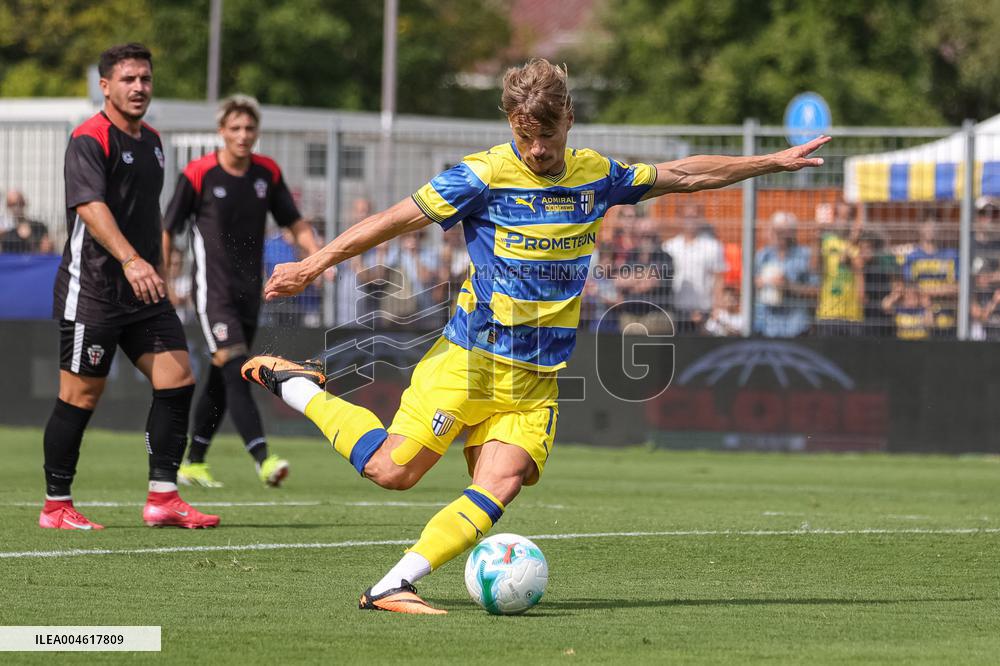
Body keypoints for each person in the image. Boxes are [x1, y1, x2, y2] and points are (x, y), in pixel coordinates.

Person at [240, 59, 828, 613]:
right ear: (510, 126)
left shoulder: (597, 174)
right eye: (527, 137)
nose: (539, 149)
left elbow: (684, 175)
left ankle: (394, 584)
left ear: (569, 118)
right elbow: (390, 222)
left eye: (548, 133)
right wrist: (312, 265)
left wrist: (772, 162)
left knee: (503, 480)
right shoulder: (482, 175)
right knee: (393, 472)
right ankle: (301, 387)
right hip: (469, 363)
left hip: (537, 381)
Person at [42, 43, 218, 530]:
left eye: (145, 78)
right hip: (93, 290)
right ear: (105, 86)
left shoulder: (153, 141)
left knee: (178, 380)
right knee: (79, 398)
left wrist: (157, 268)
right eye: (128, 79)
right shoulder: (88, 138)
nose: (139, 87)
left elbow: (147, 215)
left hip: (145, 293)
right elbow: (89, 208)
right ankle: (56, 504)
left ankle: (163, 497)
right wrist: (132, 259)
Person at [163, 94, 323, 488]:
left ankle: (194, 462)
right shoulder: (199, 174)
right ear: (221, 132)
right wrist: (162, 280)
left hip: (250, 294)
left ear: (257, 132)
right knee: (237, 368)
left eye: (249, 128)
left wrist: (318, 259)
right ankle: (262, 458)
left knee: (222, 377)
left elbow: (296, 223)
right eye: (234, 128)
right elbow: (168, 230)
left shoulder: (266, 173)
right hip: (211, 294)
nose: (243, 134)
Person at [661, 203, 727, 333]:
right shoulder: (669, 246)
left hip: (703, 310)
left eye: (694, 216)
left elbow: (719, 278)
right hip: (676, 311)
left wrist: (716, 308)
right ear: (679, 219)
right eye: (686, 217)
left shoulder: (713, 246)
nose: (690, 221)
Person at [753, 212, 817, 337]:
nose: (780, 235)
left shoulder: (805, 256)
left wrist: (789, 286)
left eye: (784, 231)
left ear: (793, 233)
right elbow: (748, 287)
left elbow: (816, 291)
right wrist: (757, 284)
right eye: (777, 231)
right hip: (767, 326)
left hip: (796, 327)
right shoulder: (763, 256)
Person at [814, 201, 865, 336]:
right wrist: (816, 237)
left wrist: (853, 241)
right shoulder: (827, 242)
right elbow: (814, 267)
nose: (843, 222)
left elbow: (853, 264)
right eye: (840, 217)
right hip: (828, 312)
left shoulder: (859, 245)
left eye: (847, 217)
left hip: (852, 314)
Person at [903, 217, 959, 338]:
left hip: (947, 320)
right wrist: (941, 291)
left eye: (934, 225)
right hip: (919, 322)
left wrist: (926, 291)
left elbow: (958, 288)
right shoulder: (912, 257)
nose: (931, 229)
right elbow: (910, 289)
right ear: (920, 228)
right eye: (927, 225)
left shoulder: (952, 255)